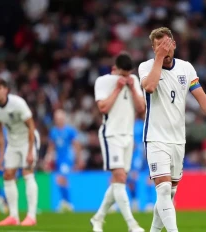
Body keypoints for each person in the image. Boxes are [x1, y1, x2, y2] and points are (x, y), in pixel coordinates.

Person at [139, 27, 206, 232]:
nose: (164, 48)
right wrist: (159, 58)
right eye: (159, 46)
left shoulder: (186, 68)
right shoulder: (146, 66)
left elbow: (200, 95)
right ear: (153, 48)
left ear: (174, 44)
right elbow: (149, 87)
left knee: (169, 194)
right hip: (156, 137)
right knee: (164, 188)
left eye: (167, 44)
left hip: (178, 139)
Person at [91, 53, 145, 232]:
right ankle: (132, 224)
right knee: (120, 177)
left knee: (118, 180)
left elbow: (141, 108)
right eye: (123, 74)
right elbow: (102, 108)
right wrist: (117, 88)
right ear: (115, 69)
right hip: (111, 135)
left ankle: (98, 218)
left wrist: (131, 88)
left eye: (128, 74)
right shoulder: (103, 81)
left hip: (128, 136)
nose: (126, 77)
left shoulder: (133, 80)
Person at [0, 77, 40, 226]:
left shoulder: (17, 103)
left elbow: (31, 126)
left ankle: (31, 216)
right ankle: (13, 216)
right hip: (13, 142)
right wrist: (1, 154)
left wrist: (30, 152)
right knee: (8, 175)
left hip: (28, 139)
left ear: (6, 90)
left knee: (27, 173)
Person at [45, 109, 83, 212]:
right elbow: (51, 147)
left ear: (64, 119)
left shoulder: (70, 130)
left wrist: (78, 159)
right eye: (57, 119)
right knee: (61, 180)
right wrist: (48, 158)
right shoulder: (53, 131)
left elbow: (76, 145)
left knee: (61, 179)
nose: (59, 120)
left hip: (67, 158)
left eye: (60, 118)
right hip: (58, 159)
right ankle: (65, 202)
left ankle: (68, 203)